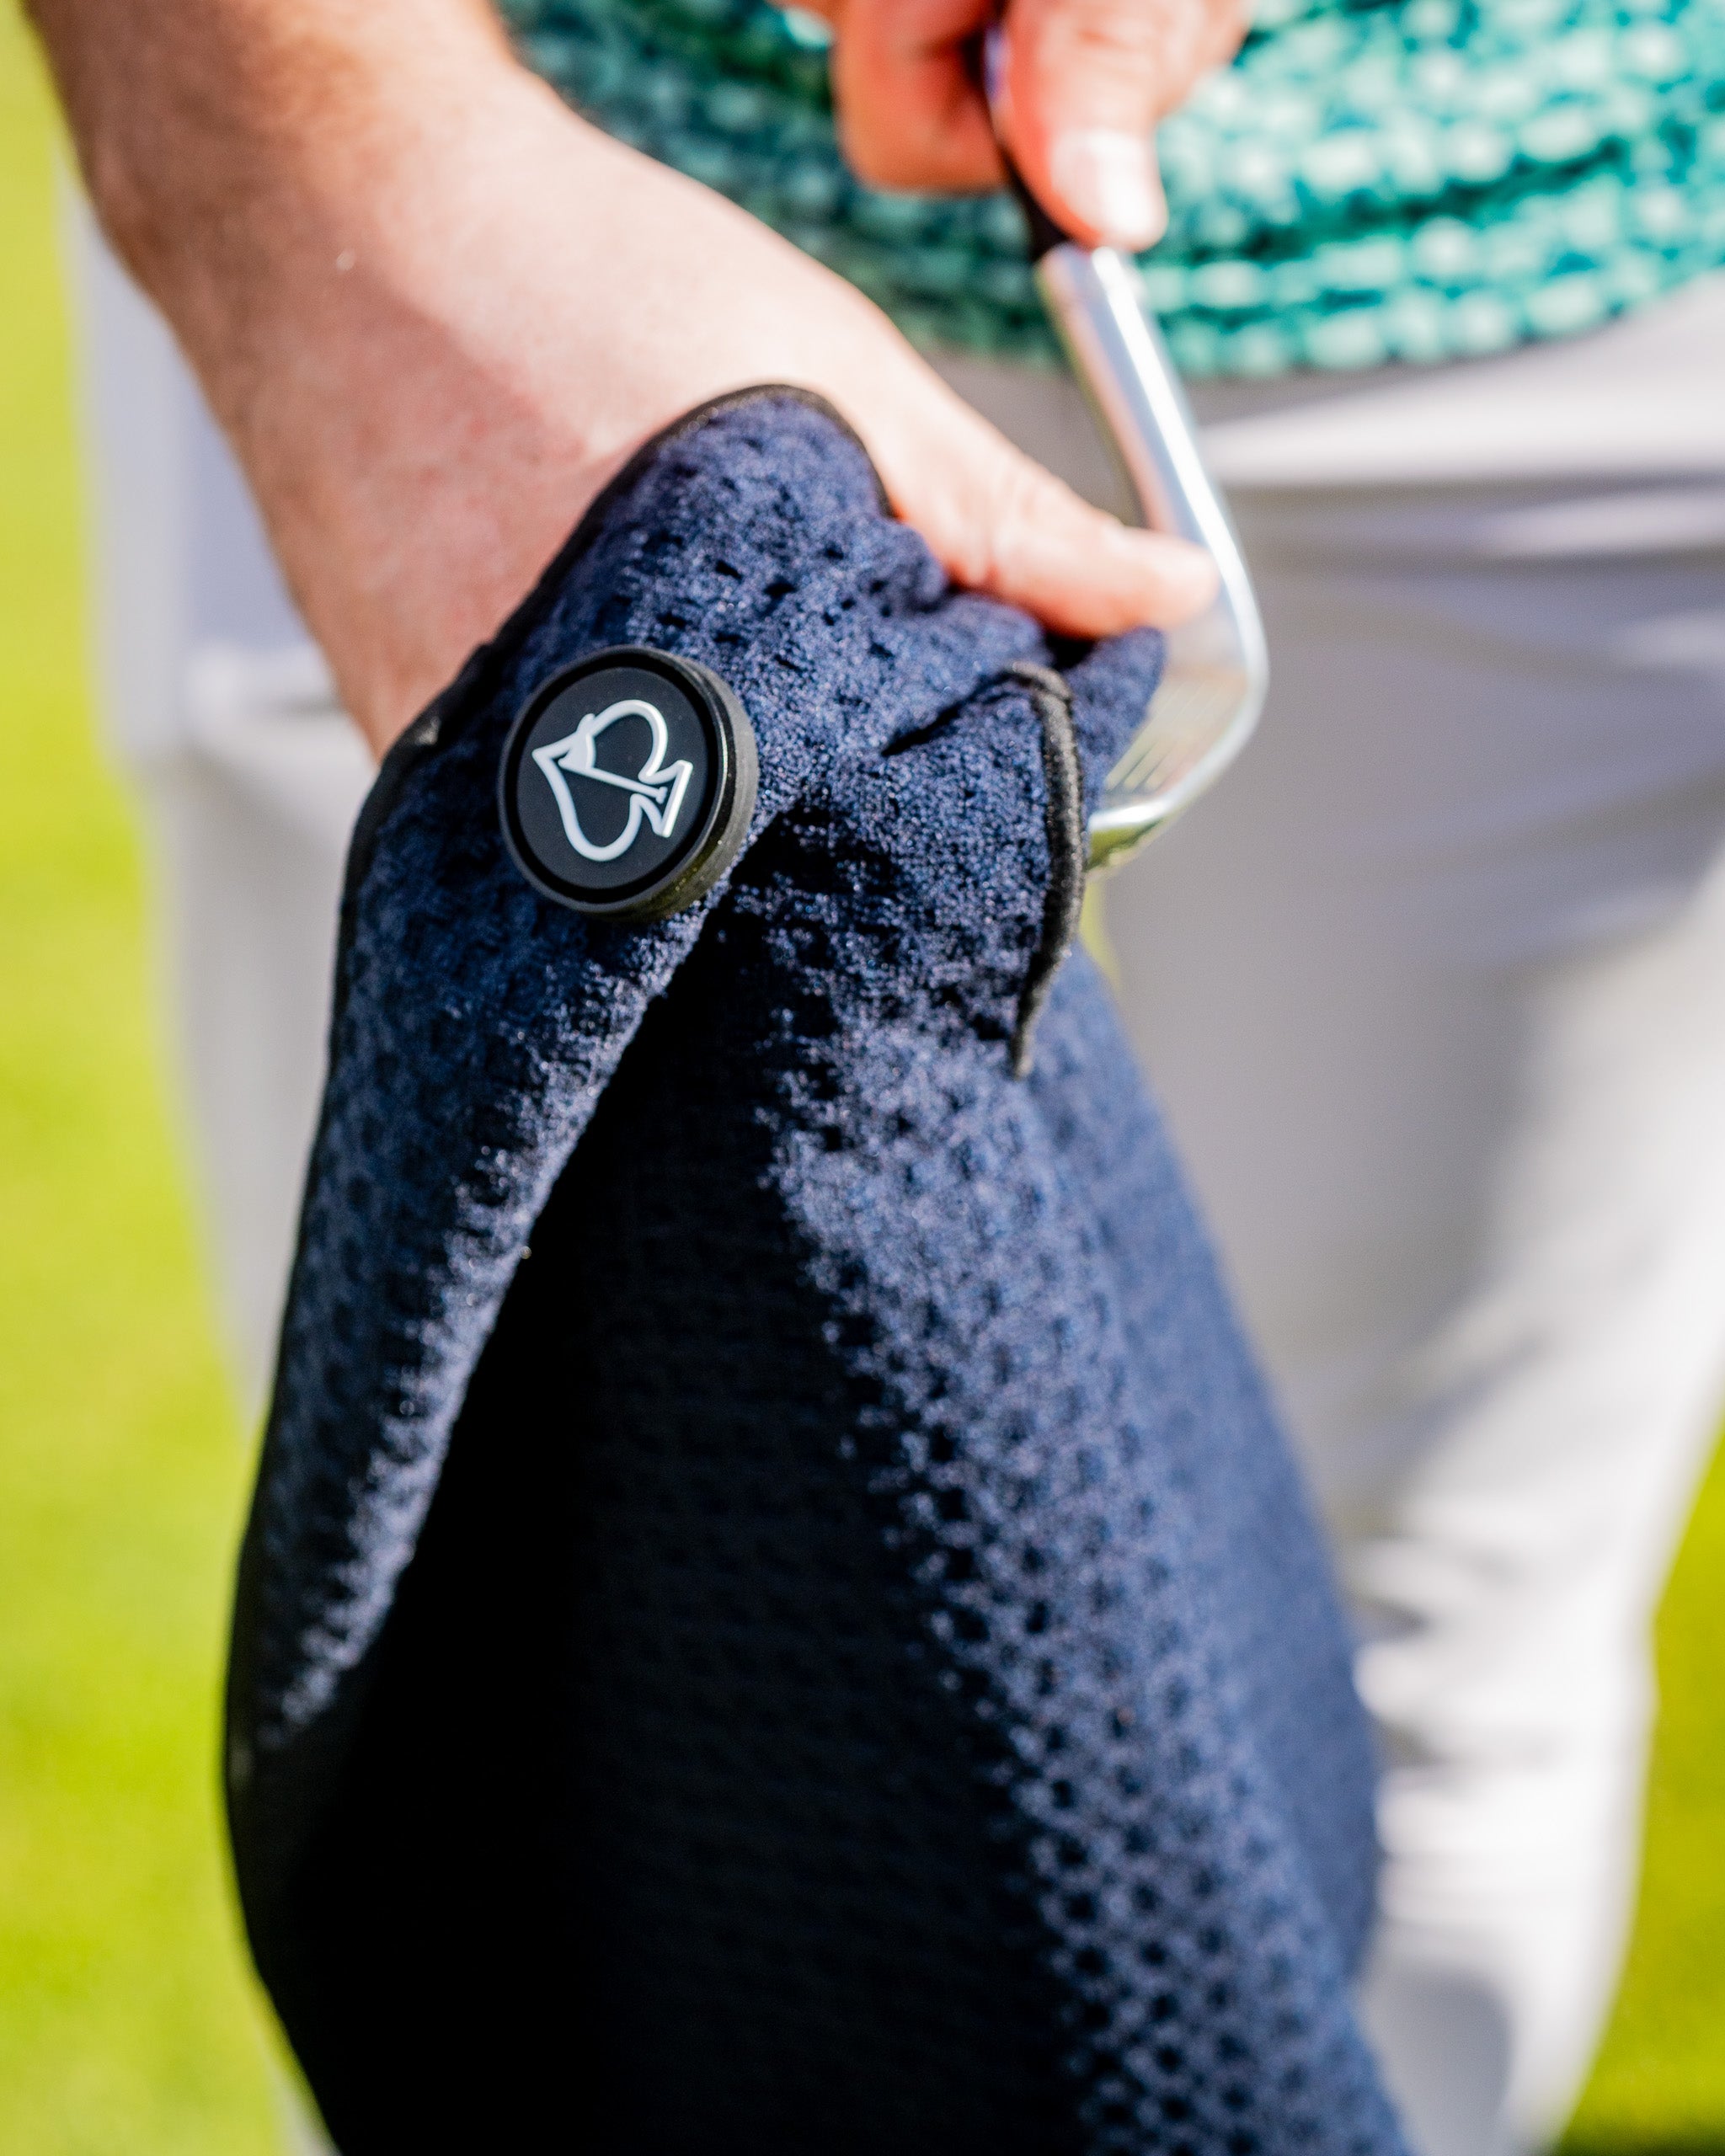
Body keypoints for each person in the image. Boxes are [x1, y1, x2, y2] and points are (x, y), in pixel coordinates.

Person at [27, 0, 1725, 2150]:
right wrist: (295, 182)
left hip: (1573, 297)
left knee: (1406, 1688)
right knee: (542, 1692)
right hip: (454, 232)